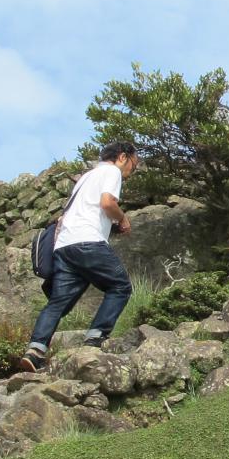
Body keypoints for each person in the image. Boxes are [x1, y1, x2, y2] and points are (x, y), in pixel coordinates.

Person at [18, 141, 141, 370]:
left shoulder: (86, 177)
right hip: (88, 241)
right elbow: (107, 203)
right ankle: (95, 338)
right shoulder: (112, 171)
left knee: (57, 303)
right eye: (134, 165)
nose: (132, 172)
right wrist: (122, 219)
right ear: (123, 157)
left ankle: (35, 350)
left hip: (64, 247)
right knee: (120, 286)